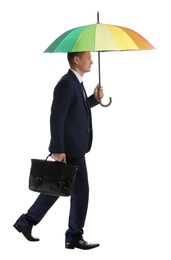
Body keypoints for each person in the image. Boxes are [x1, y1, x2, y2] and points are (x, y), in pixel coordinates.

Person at [13, 51, 104, 250]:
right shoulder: (66, 83)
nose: (92, 60)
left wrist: (94, 99)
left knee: (58, 187)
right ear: (77, 60)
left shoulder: (76, 83)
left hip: (74, 148)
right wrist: (57, 148)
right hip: (70, 149)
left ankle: (26, 222)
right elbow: (56, 117)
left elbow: (78, 109)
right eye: (88, 57)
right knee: (79, 191)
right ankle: (73, 236)